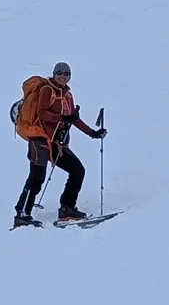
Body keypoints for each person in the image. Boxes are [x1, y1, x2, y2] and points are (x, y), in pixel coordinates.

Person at [13, 62, 107, 225]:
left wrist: (93, 133)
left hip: (56, 141)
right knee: (37, 177)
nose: (63, 76)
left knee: (77, 170)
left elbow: (74, 119)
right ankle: (22, 214)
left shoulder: (68, 95)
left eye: (66, 74)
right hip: (39, 137)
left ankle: (67, 208)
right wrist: (62, 118)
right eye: (60, 73)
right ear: (54, 74)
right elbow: (42, 114)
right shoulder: (47, 89)